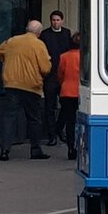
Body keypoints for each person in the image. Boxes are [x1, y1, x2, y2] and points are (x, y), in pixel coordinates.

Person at [0, 20, 52, 161]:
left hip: (11, 83)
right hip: (31, 86)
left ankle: (5, 150)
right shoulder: (38, 44)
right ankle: (35, 149)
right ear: (38, 33)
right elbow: (45, 68)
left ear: (26, 29)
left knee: (9, 118)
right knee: (34, 118)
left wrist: (6, 61)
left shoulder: (12, 41)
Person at [39, 11, 73, 146]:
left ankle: (59, 129)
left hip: (64, 75)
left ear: (62, 21)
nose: (55, 22)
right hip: (51, 74)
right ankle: (51, 135)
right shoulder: (45, 35)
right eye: (53, 20)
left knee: (66, 106)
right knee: (50, 106)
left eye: (58, 20)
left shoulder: (66, 33)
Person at [56, 33, 81, 159]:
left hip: (67, 91)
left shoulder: (63, 57)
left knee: (70, 122)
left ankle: (71, 148)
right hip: (80, 92)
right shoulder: (86, 57)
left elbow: (60, 74)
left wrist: (64, 84)